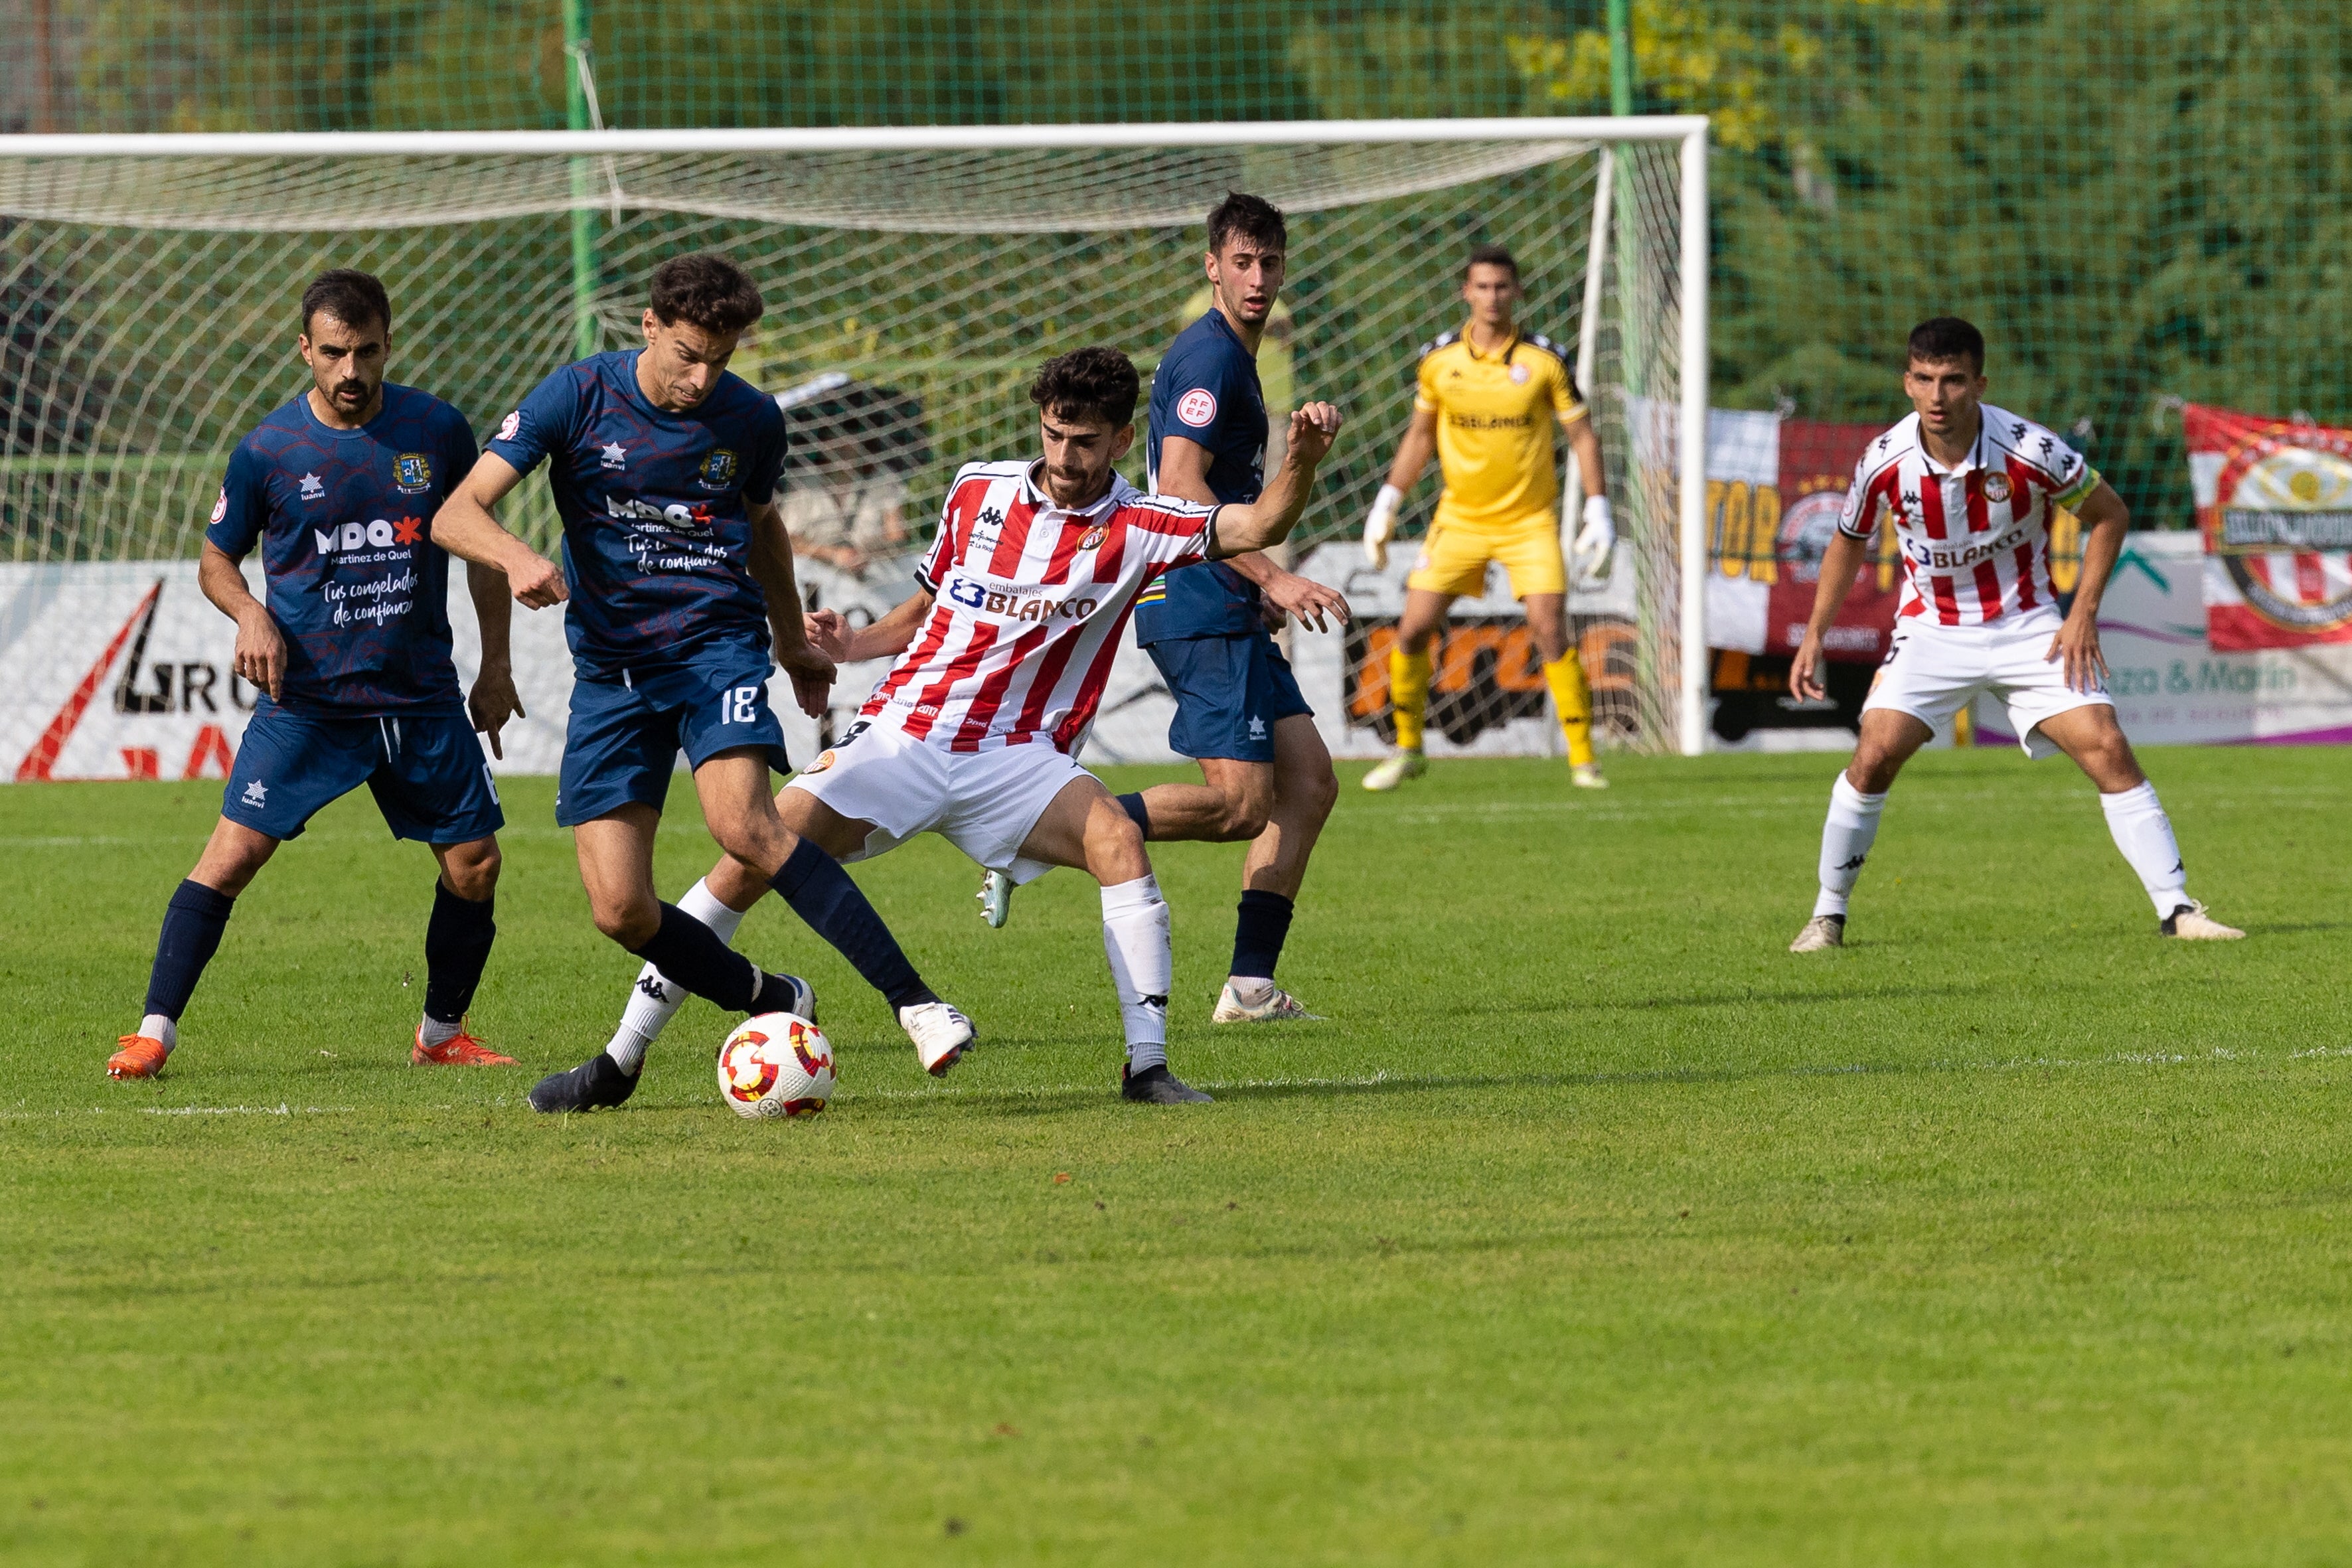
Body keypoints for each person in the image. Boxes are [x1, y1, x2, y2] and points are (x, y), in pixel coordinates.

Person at [588, 347, 1344, 1104]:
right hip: (905, 736)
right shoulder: (978, 487)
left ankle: (1147, 1069)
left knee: (1116, 838)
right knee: (748, 856)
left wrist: (1300, 463)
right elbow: (927, 607)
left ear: (1120, 441)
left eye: (1085, 442)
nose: (1066, 455)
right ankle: (621, 1057)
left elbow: (1263, 519)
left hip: (1019, 758)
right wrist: (851, 645)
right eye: (1053, 434)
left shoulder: (1144, 524)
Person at [426, 253, 973, 1115]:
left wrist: (791, 643)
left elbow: (763, 532)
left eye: (719, 357)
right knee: (619, 908)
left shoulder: (750, 419)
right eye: (686, 353)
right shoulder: (575, 395)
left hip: (715, 647)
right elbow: (455, 511)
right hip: (611, 672)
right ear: (648, 327)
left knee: (745, 824)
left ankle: (918, 1004)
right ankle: (770, 998)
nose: (700, 376)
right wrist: (517, 554)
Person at [107, 270, 520, 1079]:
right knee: (229, 857)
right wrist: (252, 613)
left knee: (475, 865)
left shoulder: (437, 431)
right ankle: (154, 1031)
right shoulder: (268, 450)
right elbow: (216, 558)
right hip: (311, 703)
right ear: (306, 349)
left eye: (366, 351)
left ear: (387, 344)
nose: (350, 370)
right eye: (334, 352)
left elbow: (482, 549)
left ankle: (441, 1033)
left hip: (418, 698)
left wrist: (496, 665)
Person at [979, 193, 1347, 1026]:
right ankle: (1037, 833)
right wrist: (1272, 578)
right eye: (1242, 262)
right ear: (1212, 266)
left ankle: (1250, 988)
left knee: (1311, 784)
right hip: (1198, 597)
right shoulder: (1211, 358)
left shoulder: (1234, 354)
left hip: (1219, 597)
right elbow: (1179, 487)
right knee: (1240, 805)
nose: (1259, 279)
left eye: (1271, 263)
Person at [1786, 317, 2242, 951]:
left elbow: (2108, 514)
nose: (1937, 397)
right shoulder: (1883, 461)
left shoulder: (2031, 450)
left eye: (1952, 381)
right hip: (1931, 630)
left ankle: (2178, 911)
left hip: (2028, 628)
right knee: (1873, 756)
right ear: (1907, 383)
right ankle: (1826, 917)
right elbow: (1848, 540)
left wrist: (2081, 612)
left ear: (1979, 382)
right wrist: (1814, 634)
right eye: (1923, 380)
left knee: (2106, 747)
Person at [1360, 243, 1616, 791]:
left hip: (1529, 522)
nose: (1492, 297)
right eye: (1481, 287)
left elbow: (1582, 435)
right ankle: (1408, 750)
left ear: (1517, 291)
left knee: (1549, 630)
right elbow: (1420, 436)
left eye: (1502, 286)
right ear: (1465, 293)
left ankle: (1582, 760)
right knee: (1411, 629)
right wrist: (1387, 501)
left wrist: (1597, 508)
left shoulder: (1545, 360)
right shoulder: (1438, 360)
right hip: (1460, 520)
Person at [779, 429, 908, 574]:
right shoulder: (804, 484)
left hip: (873, 574)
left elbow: (897, 537)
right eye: (835, 439)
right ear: (823, 444)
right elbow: (785, 540)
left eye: (849, 440)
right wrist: (832, 554)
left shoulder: (882, 480)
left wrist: (867, 554)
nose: (842, 447)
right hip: (818, 574)